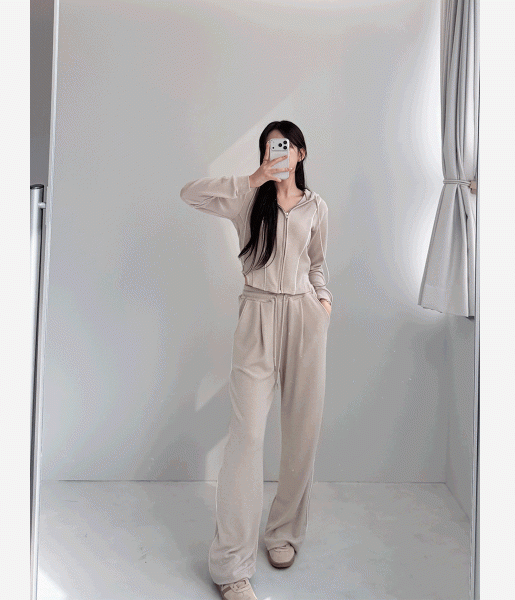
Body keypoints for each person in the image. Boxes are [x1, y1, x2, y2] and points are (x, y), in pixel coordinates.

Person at [180, 120, 332, 600]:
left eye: (284, 147)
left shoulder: (316, 206)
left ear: (300, 153)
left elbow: (318, 262)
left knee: (302, 432)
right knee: (246, 438)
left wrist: (323, 302)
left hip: (305, 318)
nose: (277, 153)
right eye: (269, 147)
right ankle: (231, 565)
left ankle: (283, 533)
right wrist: (253, 178)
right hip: (258, 315)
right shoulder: (248, 199)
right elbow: (190, 194)